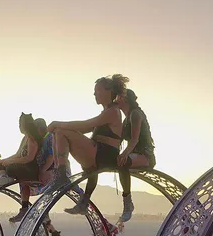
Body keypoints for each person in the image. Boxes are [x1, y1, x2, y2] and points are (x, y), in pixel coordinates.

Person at [47, 74, 128, 216]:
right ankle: (60, 172)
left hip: (104, 155)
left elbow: (87, 124)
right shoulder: (106, 112)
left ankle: (61, 173)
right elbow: (83, 129)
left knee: (60, 131)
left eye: (97, 91)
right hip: (97, 154)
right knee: (58, 132)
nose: (94, 94)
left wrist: (57, 123)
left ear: (109, 92)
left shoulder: (113, 112)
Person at [115, 88, 156, 222]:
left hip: (145, 155)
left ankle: (128, 202)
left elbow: (134, 139)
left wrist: (124, 154)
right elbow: (117, 139)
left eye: (118, 97)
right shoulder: (126, 120)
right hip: (133, 154)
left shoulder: (136, 114)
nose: (115, 100)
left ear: (125, 99)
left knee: (123, 162)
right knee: (117, 161)